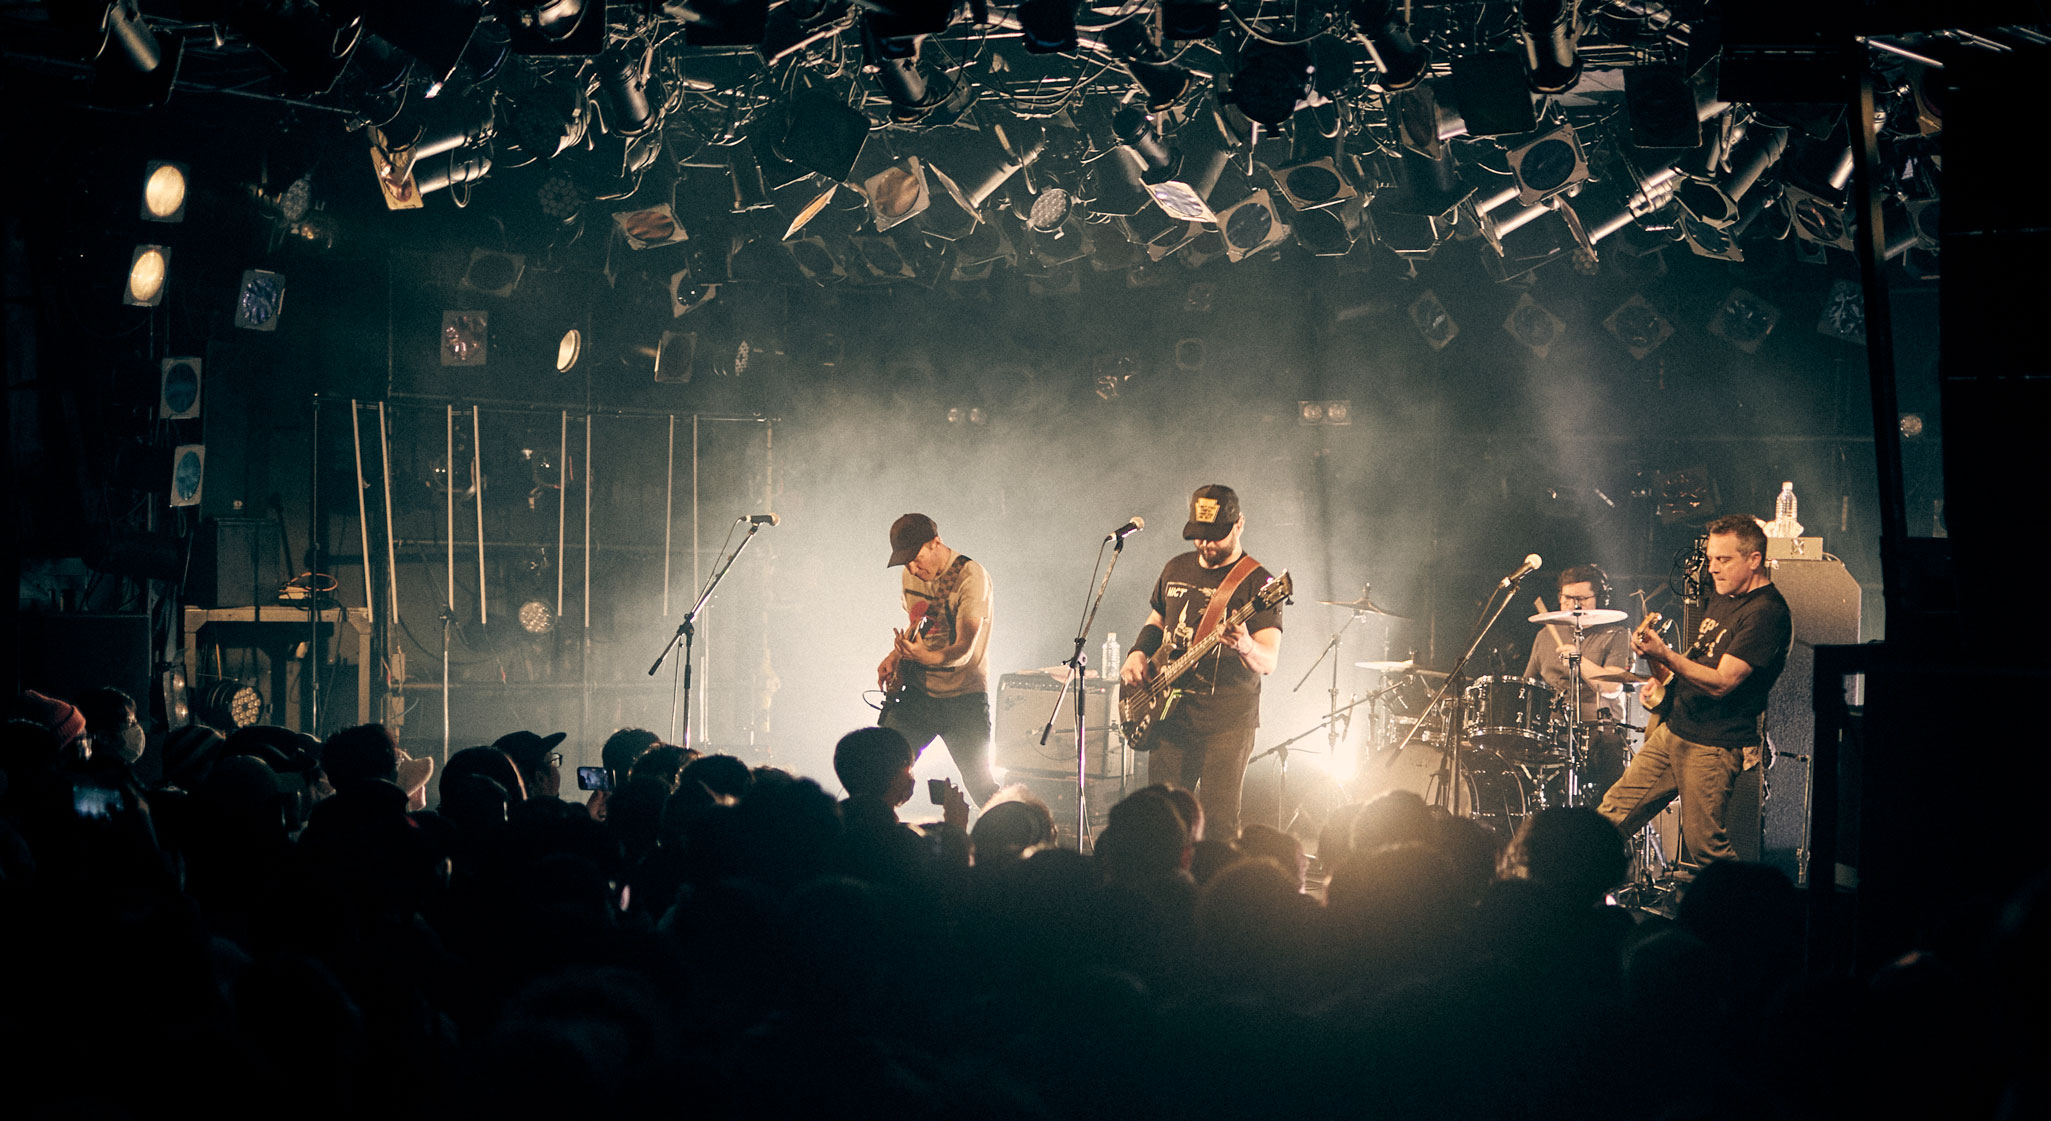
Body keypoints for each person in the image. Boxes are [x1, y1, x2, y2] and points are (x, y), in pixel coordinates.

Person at [1598, 514, 1793, 867]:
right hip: (1675, 731)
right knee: (1609, 818)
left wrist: (1666, 655)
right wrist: (1658, 664)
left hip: (1713, 744)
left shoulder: (1767, 613)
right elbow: (1697, 662)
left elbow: (1722, 683)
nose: (1713, 568)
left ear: (1754, 560)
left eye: (1723, 559)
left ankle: (1756, 914)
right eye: (1711, 558)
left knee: (1706, 848)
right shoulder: (1723, 594)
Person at [1119, 484, 1284, 842]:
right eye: (1199, 537)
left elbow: (1269, 659)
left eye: (1216, 537)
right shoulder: (1175, 568)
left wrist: (1244, 645)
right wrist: (1137, 652)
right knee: (1160, 821)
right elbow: (1157, 620)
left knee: (1218, 827)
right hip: (1169, 716)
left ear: (1239, 524)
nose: (1207, 545)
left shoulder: (1259, 582)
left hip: (1226, 722)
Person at [876, 512, 998, 806]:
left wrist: (925, 656)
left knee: (982, 786)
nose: (912, 568)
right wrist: (896, 655)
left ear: (936, 543)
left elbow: (964, 649)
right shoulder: (909, 574)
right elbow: (921, 624)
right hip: (918, 696)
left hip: (963, 701)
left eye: (916, 558)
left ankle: (1021, 838)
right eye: (905, 561)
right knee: (879, 773)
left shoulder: (972, 577)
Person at [1522, 563, 1632, 803]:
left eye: (1582, 599)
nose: (1574, 605)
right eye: (1567, 598)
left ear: (1599, 598)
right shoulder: (1545, 635)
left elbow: (1611, 687)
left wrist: (1578, 660)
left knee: (1605, 801)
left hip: (1599, 732)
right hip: (1552, 733)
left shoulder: (1615, 634)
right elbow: (1526, 688)